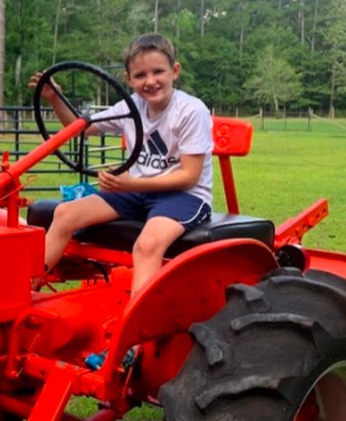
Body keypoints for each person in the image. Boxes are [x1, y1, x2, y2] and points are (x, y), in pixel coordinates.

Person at [30, 33, 213, 294]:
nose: (150, 81)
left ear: (174, 71)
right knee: (64, 214)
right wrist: (55, 99)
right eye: (140, 76)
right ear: (128, 80)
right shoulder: (131, 106)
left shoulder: (191, 111)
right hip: (138, 191)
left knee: (147, 245)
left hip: (184, 196)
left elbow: (190, 176)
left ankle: (136, 330)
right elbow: (79, 128)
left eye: (158, 71)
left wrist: (132, 183)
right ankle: (26, 291)